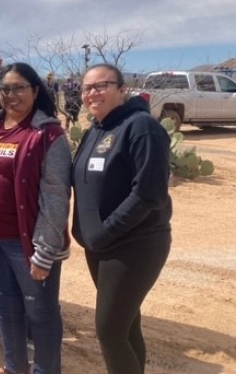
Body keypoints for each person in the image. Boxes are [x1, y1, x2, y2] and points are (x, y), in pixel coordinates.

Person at [0, 62, 72, 374]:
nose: (12, 95)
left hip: (30, 246)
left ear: (36, 91)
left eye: (20, 87)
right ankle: (14, 367)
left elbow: (57, 197)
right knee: (6, 310)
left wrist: (45, 252)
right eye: (6, 89)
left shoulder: (49, 135)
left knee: (41, 314)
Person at [72, 64, 172, 374]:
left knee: (109, 331)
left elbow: (148, 193)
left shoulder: (141, 127)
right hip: (99, 246)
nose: (93, 93)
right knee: (126, 326)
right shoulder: (95, 130)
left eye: (101, 85)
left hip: (135, 244)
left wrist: (105, 233)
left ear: (121, 88)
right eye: (87, 88)